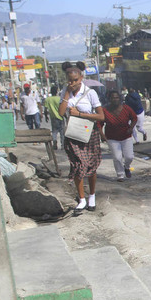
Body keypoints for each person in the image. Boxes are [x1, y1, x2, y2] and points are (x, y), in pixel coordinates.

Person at [58, 61, 105, 213]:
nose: (73, 83)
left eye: (75, 80)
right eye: (70, 80)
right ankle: (81, 198)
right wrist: (66, 93)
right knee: (78, 165)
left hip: (89, 133)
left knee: (91, 166)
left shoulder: (90, 93)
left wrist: (80, 114)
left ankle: (92, 196)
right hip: (73, 134)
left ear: (81, 77)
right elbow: (60, 113)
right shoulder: (65, 92)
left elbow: (101, 116)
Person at [102, 89, 139, 180]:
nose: (115, 99)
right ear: (109, 99)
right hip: (112, 137)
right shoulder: (105, 110)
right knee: (117, 157)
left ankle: (127, 167)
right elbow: (99, 123)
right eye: (113, 98)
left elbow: (134, 118)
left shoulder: (126, 108)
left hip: (126, 136)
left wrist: (131, 128)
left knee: (129, 156)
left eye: (117, 98)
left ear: (120, 99)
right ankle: (120, 174)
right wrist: (101, 135)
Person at [42, 86, 64, 150]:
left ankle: (54, 142)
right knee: (62, 132)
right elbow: (62, 108)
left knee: (54, 131)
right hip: (60, 117)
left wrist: (46, 116)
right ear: (57, 91)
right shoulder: (59, 99)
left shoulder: (48, 99)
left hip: (53, 117)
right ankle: (62, 145)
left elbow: (45, 110)